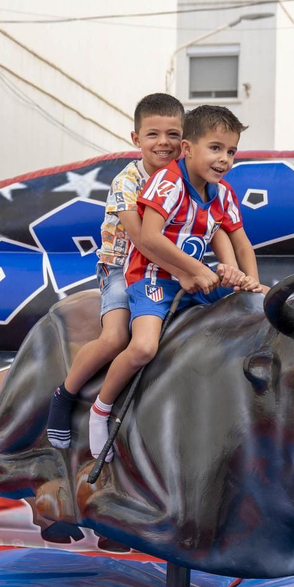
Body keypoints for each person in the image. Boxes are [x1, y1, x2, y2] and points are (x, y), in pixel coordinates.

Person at [88, 105, 268, 458]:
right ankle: (101, 409)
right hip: (153, 276)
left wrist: (250, 286)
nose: (224, 159)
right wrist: (198, 271)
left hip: (193, 279)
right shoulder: (167, 182)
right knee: (142, 348)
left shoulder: (223, 193)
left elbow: (240, 242)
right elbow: (151, 238)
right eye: (215, 148)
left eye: (231, 151)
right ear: (188, 149)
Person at [47, 92, 185, 449]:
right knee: (115, 339)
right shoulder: (126, 183)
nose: (163, 143)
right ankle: (65, 395)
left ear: (184, 139)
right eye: (153, 134)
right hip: (124, 268)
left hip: (167, 268)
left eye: (172, 134)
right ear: (136, 139)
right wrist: (189, 271)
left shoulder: (188, 177)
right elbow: (143, 240)